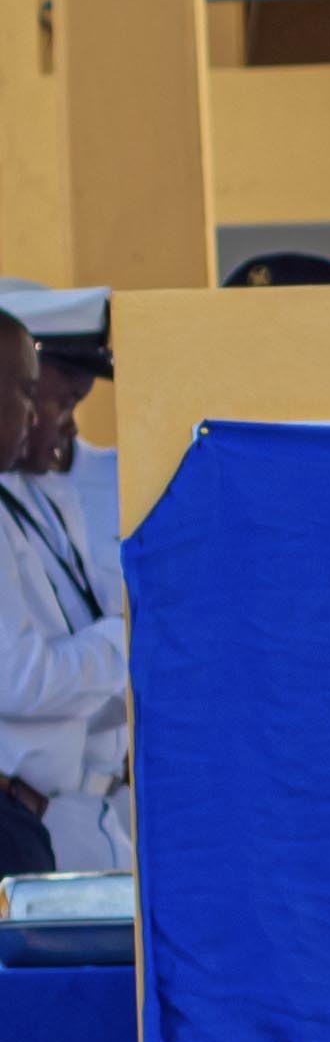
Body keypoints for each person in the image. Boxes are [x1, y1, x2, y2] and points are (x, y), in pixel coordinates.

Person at [0, 291, 132, 875]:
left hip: (72, 807)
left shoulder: (42, 500)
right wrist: (128, 637)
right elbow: (20, 680)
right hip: (26, 810)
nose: (49, 420)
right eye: (36, 394)